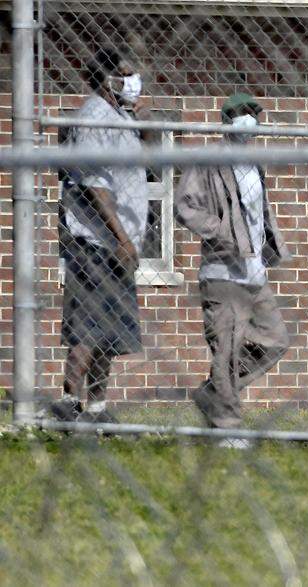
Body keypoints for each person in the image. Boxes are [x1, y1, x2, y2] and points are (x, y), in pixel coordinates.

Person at [175, 94, 291, 445]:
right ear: (227, 120)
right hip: (222, 272)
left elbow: (259, 216)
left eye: (254, 115)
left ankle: (214, 391)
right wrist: (222, 231)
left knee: (275, 340)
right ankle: (227, 428)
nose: (250, 121)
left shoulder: (253, 163)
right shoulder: (209, 159)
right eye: (243, 115)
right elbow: (185, 207)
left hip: (254, 272)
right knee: (225, 349)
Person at [48, 48, 149, 425]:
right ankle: (68, 403)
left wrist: (145, 123)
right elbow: (95, 186)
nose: (132, 81)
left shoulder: (119, 116)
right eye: (124, 74)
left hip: (117, 244)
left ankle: (96, 408)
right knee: (88, 327)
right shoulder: (93, 115)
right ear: (106, 79)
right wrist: (121, 238)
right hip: (96, 243)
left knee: (108, 330)